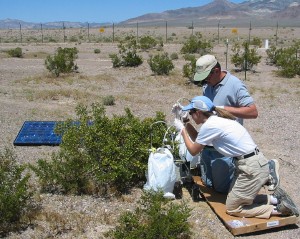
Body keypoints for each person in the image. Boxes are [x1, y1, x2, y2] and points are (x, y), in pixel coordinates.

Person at [173, 95, 298, 218]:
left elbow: (194, 150)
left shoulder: (210, 125)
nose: (190, 115)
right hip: (251, 163)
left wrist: (182, 130)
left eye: (190, 113)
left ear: (199, 112)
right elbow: (198, 140)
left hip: (251, 167)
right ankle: (275, 199)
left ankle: (280, 210)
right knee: (233, 197)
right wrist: (185, 122)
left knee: (233, 208)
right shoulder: (216, 120)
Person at [173, 54, 279, 193]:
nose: (205, 81)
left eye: (207, 77)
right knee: (209, 184)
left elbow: (253, 112)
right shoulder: (207, 86)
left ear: (216, 70)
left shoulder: (235, 85)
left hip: (226, 146)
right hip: (210, 142)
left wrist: (224, 109)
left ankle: (265, 171)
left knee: (222, 190)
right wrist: (187, 114)